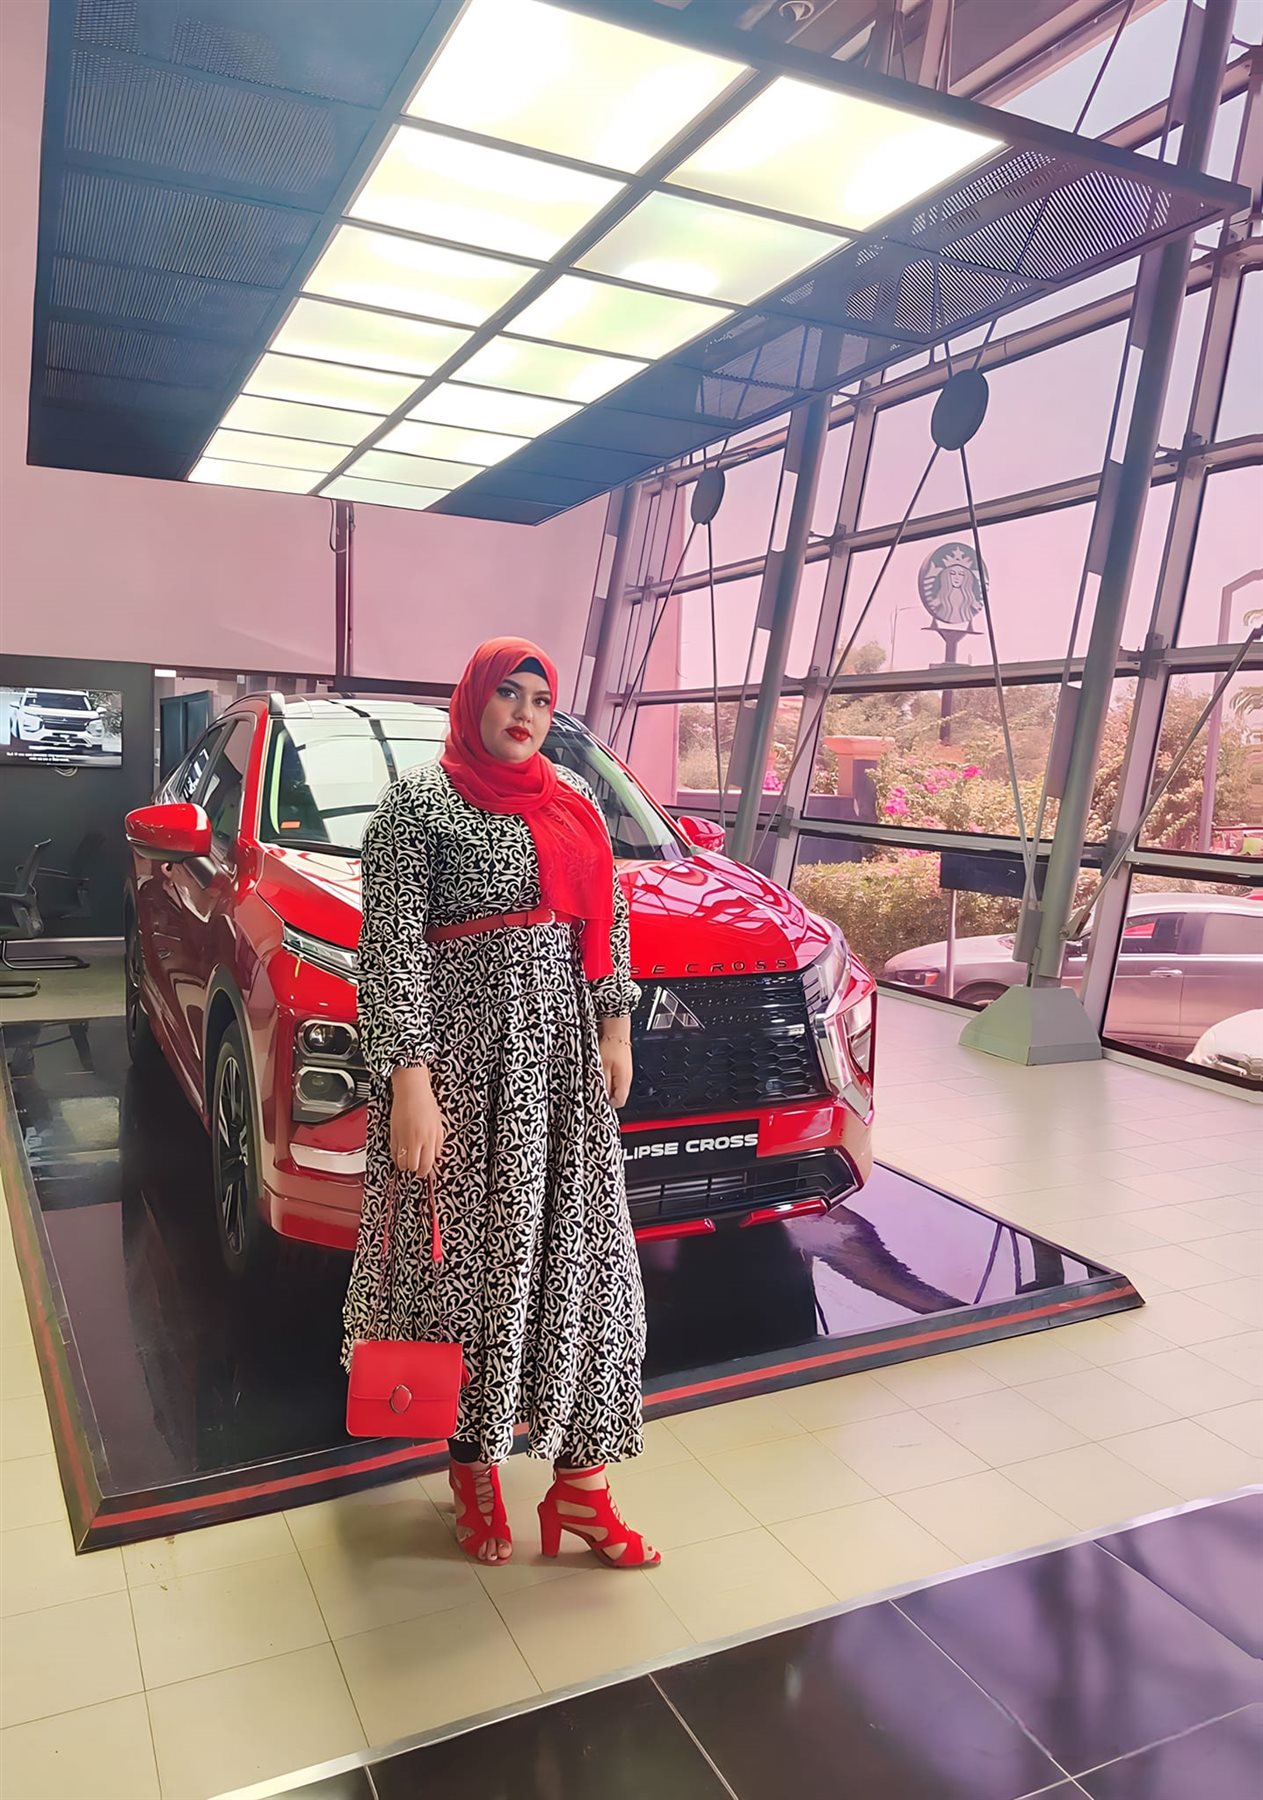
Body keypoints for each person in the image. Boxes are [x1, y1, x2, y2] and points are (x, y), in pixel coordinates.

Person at [342, 637, 657, 1570]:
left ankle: (581, 1485)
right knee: (470, 1275)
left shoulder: (573, 798)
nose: (524, 713)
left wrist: (615, 1028)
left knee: (587, 1265)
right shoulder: (417, 807)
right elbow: (389, 952)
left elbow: (607, 919)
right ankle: (472, 1466)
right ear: (473, 699)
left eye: (540, 699)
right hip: (459, 1075)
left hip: (560, 1068)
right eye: (508, 693)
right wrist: (408, 1082)